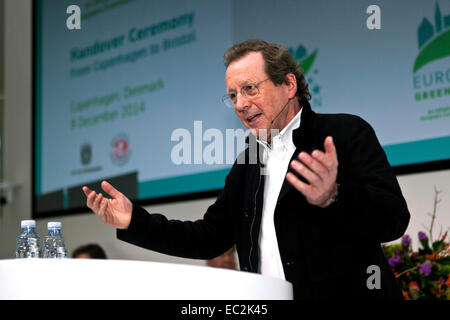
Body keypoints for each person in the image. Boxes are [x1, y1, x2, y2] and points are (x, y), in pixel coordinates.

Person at [82, 39, 410, 300]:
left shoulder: (344, 134)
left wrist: (333, 197)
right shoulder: (249, 161)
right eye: (232, 95)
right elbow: (208, 238)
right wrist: (132, 220)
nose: (240, 103)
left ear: (289, 85)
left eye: (250, 88)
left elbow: (393, 219)